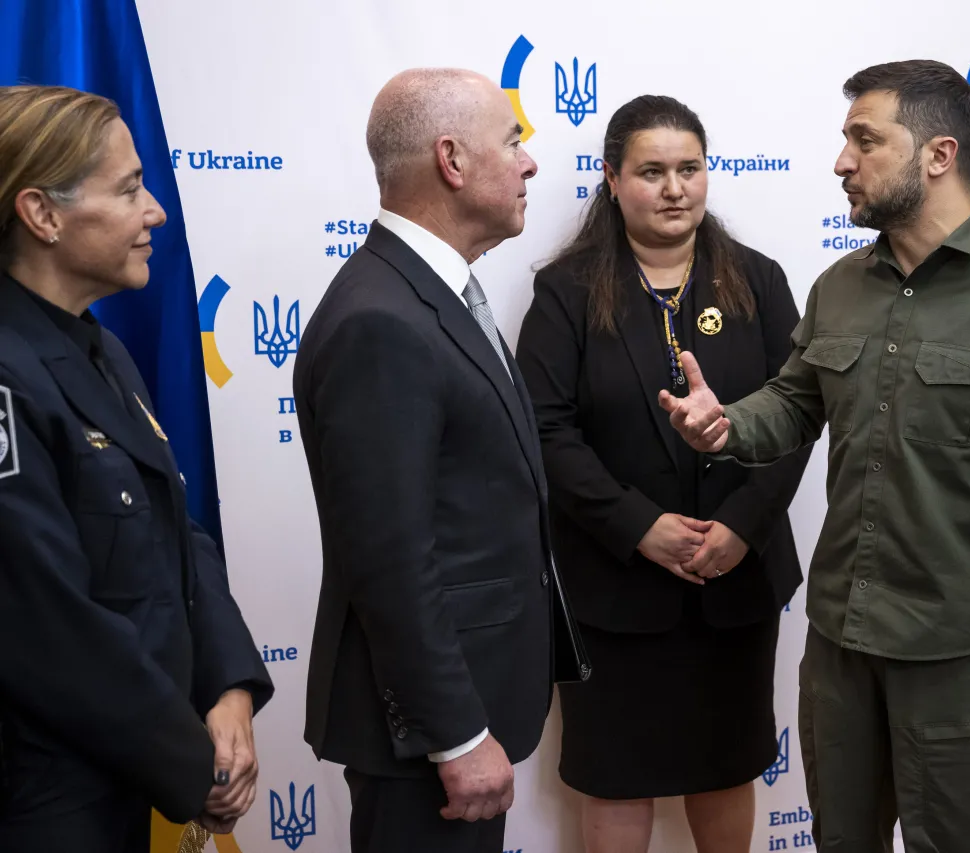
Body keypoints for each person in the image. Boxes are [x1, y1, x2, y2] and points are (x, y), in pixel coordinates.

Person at [660, 60, 970, 852]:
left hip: (961, 647)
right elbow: (796, 402)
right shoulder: (840, 284)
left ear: (938, 155)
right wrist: (727, 426)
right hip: (841, 641)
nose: (842, 161)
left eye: (864, 140)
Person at [294, 68, 582, 853]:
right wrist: (454, 733)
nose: (529, 164)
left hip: (458, 710)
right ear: (452, 161)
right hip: (426, 735)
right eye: (513, 141)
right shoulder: (380, 319)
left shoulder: (426, 293)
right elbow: (389, 557)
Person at [515, 94, 811, 853]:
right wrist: (638, 526)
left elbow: (800, 416)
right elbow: (545, 431)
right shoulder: (567, 292)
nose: (674, 187)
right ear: (612, 179)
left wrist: (742, 528)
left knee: (725, 764)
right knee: (618, 773)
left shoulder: (759, 279)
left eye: (690, 168)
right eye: (652, 171)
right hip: (613, 588)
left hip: (735, 585)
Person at [0, 85, 273, 852]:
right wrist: (197, 766)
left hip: (130, 785)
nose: (155, 211)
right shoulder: (8, 372)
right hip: (48, 807)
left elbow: (178, 536)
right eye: (128, 190)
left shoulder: (103, 349)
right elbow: (47, 624)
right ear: (42, 215)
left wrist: (228, 692)